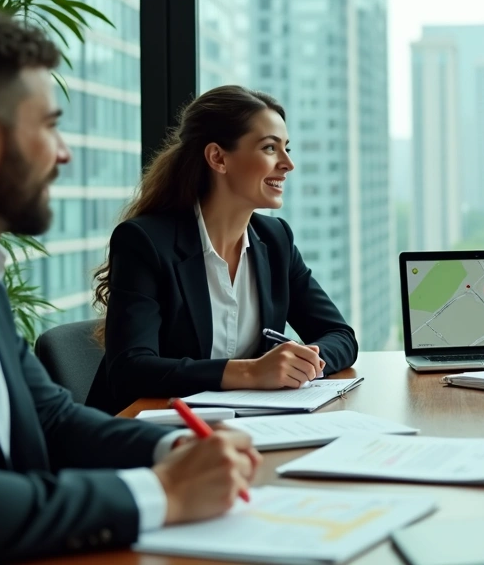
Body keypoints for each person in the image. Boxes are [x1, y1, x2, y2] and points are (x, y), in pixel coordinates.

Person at [0, 5, 262, 562]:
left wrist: (175, 447)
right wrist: (162, 493)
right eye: (50, 125)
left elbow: (49, 418)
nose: (64, 153)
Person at [86, 85, 359, 414]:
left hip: (243, 425)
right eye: (270, 148)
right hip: (150, 431)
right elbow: (130, 371)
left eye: (286, 148)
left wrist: (301, 362)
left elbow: (340, 335)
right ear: (218, 157)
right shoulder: (145, 241)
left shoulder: (276, 240)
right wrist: (251, 371)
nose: (288, 164)